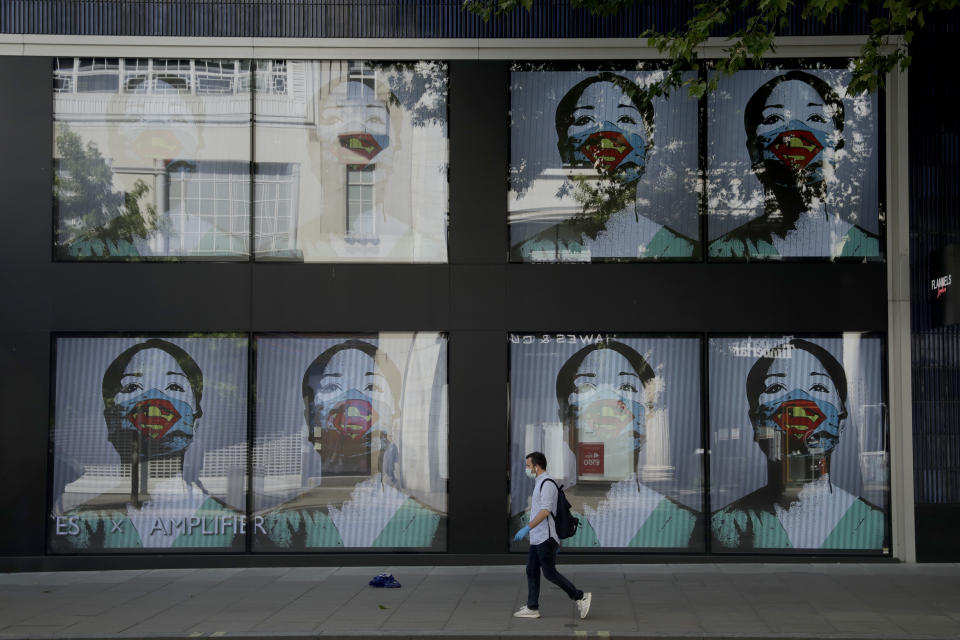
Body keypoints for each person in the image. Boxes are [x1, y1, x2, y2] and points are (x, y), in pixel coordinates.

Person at [50, 339, 243, 550]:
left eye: (174, 386)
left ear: (195, 421)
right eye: (132, 387)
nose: (154, 400)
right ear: (110, 418)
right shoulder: (81, 525)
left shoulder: (233, 526)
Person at [510, 341, 701, 548]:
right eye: (585, 387)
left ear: (648, 416)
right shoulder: (526, 521)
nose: (608, 401)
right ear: (564, 419)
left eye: (627, 387)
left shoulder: (688, 524)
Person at [258, 339, 443, 549]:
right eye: (332, 386)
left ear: (395, 417)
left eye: (372, 386)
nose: (353, 405)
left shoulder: (429, 525)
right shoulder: (279, 525)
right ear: (309, 418)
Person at [711, 338, 885, 550]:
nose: (798, 401)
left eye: (818, 386)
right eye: (775, 387)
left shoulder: (876, 526)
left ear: (841, 423)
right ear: (755, 422)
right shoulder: (728, 525)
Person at [511, 72, 698, 261]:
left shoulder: (685, 251)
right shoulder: (532, 253)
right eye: (585, 120)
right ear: (565, 152)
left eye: (626, 119)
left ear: (647, 153)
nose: (606, 131)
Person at [709, 70, 880, 258]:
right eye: (774, 119)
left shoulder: (867, 250)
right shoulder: (726, 252)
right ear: (754, 150)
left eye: (815, 118)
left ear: (837, 148)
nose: (794, 130)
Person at [513, 451, 592, 620]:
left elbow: (545, 511)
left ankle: (580, 596)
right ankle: (532, 607)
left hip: (546, 538)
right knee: (531, 570)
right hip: (538, 537)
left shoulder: (547, 484)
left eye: (528, 466)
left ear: (537, 466)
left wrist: (526, 527)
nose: (526, 469)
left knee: (549, 573)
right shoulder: (540, 482)